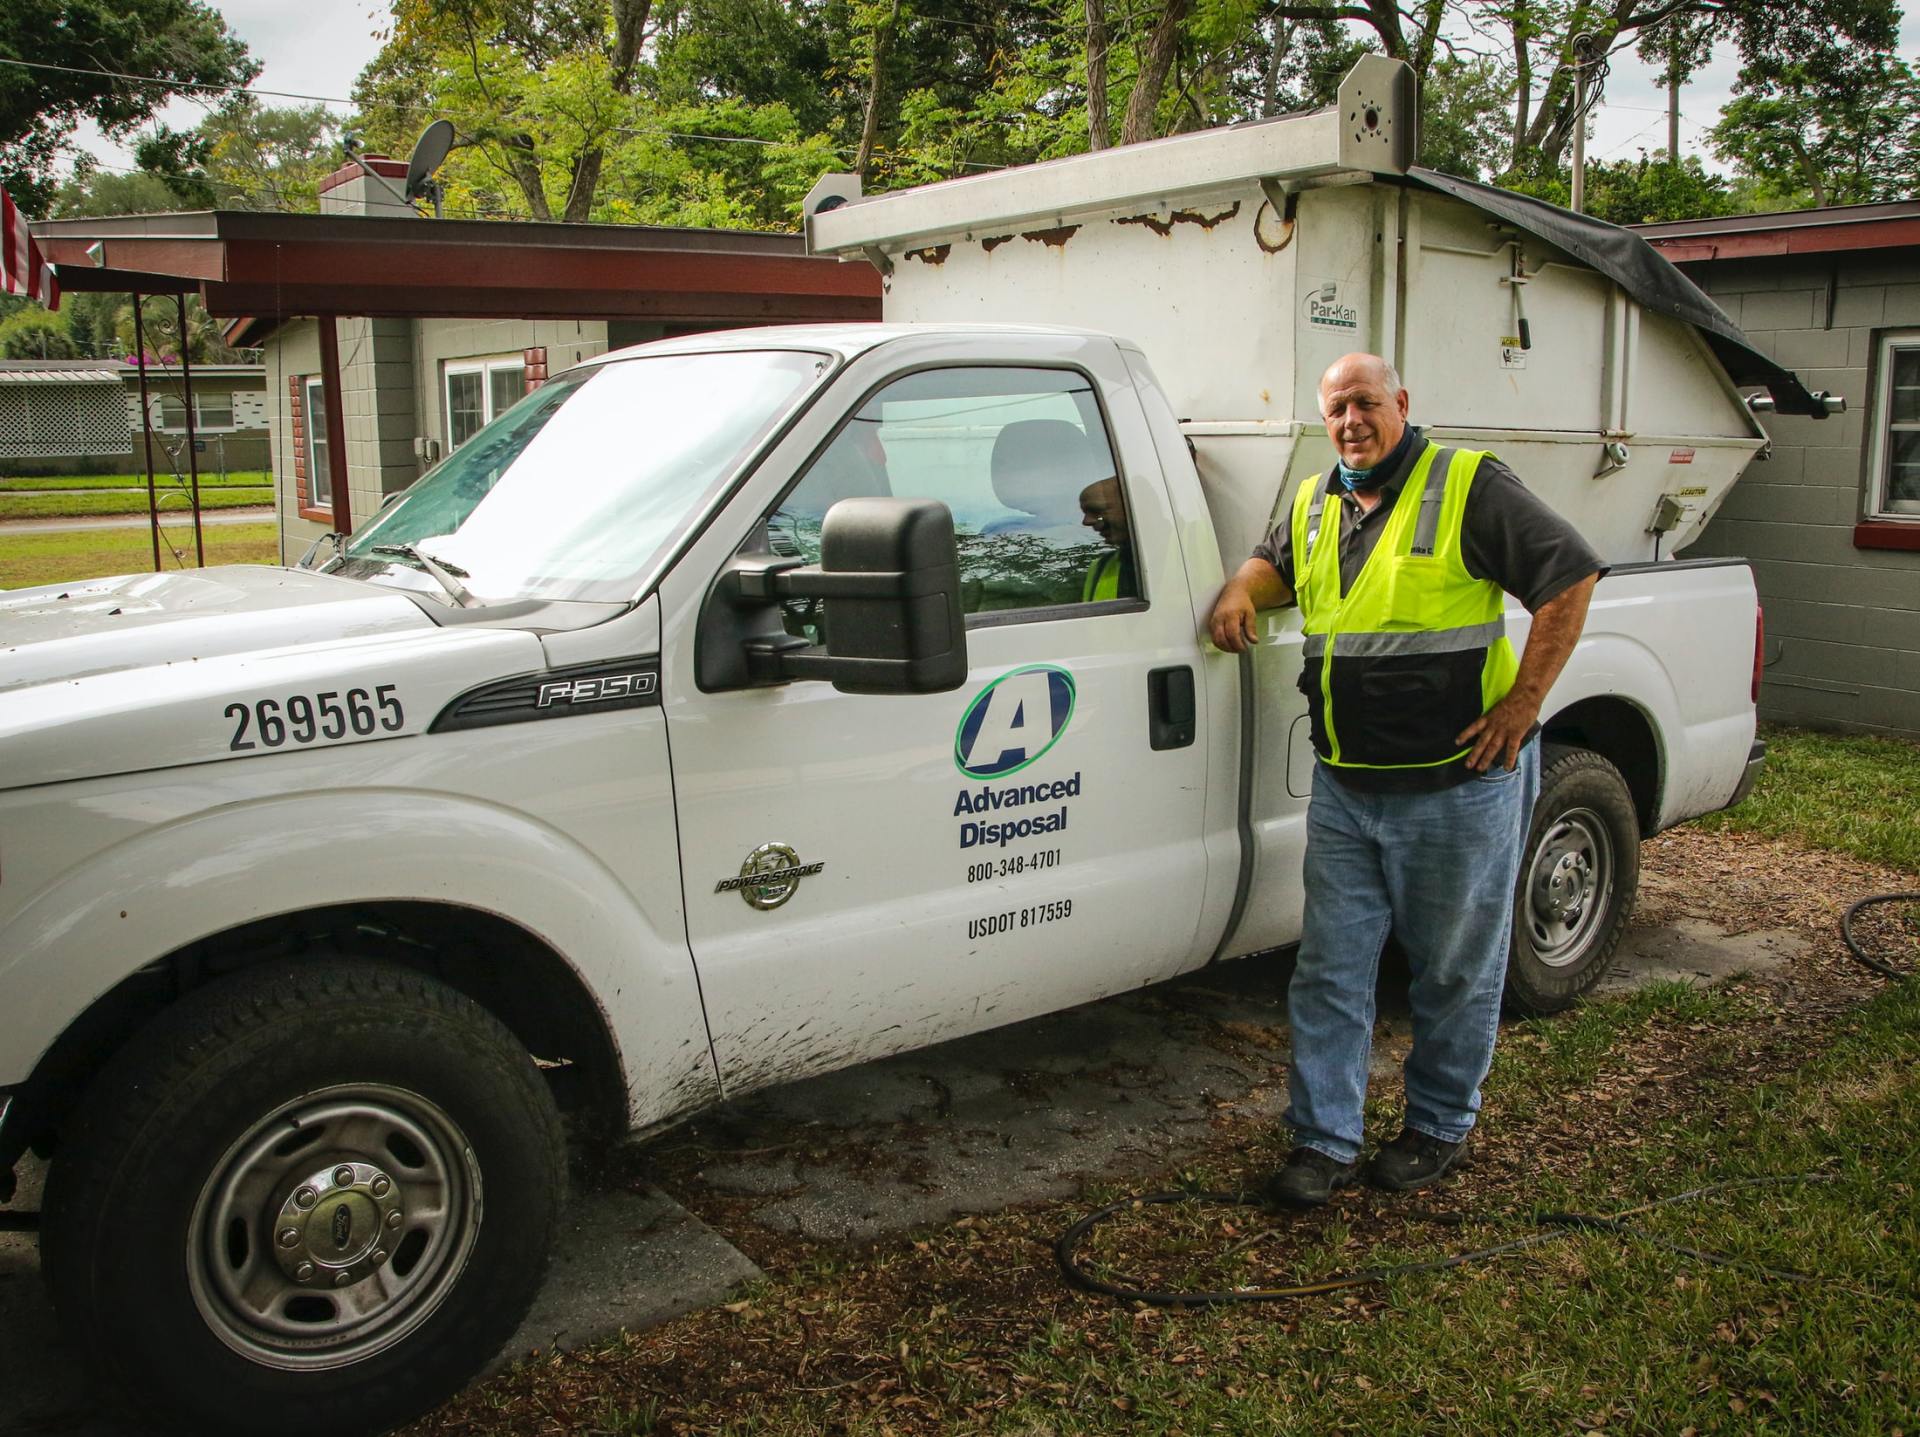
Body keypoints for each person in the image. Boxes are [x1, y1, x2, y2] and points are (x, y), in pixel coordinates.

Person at [1208, 352, 1604, 1207]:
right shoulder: (1316, 501)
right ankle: (1323, 1141)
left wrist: (1523, 705)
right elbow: (1274, 564)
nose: (1350, 421)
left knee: (1453, 971)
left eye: (1364, 402)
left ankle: (1438, 1125)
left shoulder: (1466, 484)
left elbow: (1570, 577)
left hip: (1457, 787)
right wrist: (1241, 588)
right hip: (1347, 789)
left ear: (1401, 403)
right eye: (1335, 409)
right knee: (1330, 971)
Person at [1077, 477, 1135, 601]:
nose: (1086, 521)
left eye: (1096, 510)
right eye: (1085, 513)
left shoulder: (1179, 551)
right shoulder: (1099, 567)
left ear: (1132, 505)